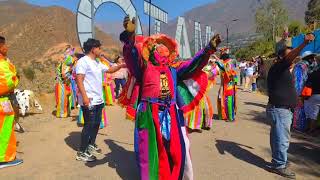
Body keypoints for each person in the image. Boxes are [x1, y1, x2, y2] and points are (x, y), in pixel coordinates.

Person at [119, 16, 221, 179]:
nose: (162, 49)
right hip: (149, 112)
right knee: (150, 148)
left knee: (177, 148)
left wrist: (208, 49)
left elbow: (193, 64)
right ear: (151, 51)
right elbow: (131, 58)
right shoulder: (143, 68)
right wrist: (130, 38)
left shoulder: (174, 69)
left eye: (165, 48)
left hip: (171, 112)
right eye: (158, 47)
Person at [266, 33, 315, 179]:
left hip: (279, 109)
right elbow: (289, 57)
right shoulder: (280, 66)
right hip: (280, 110)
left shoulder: (280, 69)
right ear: (282, 57)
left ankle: (277, 162)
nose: (294, 59)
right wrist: (304, 43)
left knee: (277, 137)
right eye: (291, 56)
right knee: (282, 138)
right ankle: (279, 165)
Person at [75, 38, 125, 162]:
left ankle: (91, 145)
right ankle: (81, 152)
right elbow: (79, 80)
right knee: (88, 125)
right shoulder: (83, 61)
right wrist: (85, 98)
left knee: (96, 124)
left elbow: (110, 70)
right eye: (99, 48)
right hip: (89, 99)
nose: (100, 50)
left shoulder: (97, 62)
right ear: (93, 49)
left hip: (98, 100)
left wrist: (121, 65)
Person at [0, 36, 23, 169]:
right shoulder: (2, 63)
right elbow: (8, 83)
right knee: (6, 129)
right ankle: (4, 158)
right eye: (4, 45)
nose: (6, 47)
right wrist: (16, 79)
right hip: (3, 101)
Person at [292, 51, 318, 132]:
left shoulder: (309, 66)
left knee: (305, 109)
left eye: (313, 58)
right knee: (299, 108)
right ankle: (299, 126)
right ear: (307, 58)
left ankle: (302, 126)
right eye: (311, 58)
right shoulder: (300, 66)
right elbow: (298, 81)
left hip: (306, 92)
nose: (313, 59)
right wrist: (299, 94)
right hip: (300, 91)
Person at [216, 49, 238, 122]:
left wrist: (217, 61)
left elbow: (226, 70)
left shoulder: (227, 64)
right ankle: (227, 115)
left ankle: (231, 117)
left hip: (228, 86)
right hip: (227, 85)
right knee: (226, 101)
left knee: (228, 101)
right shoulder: (228, 63)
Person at [303, 67, 320, 136]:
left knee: (312, 114)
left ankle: (310, 129)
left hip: (314, 95)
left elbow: (307, 84)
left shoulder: (313, 73)